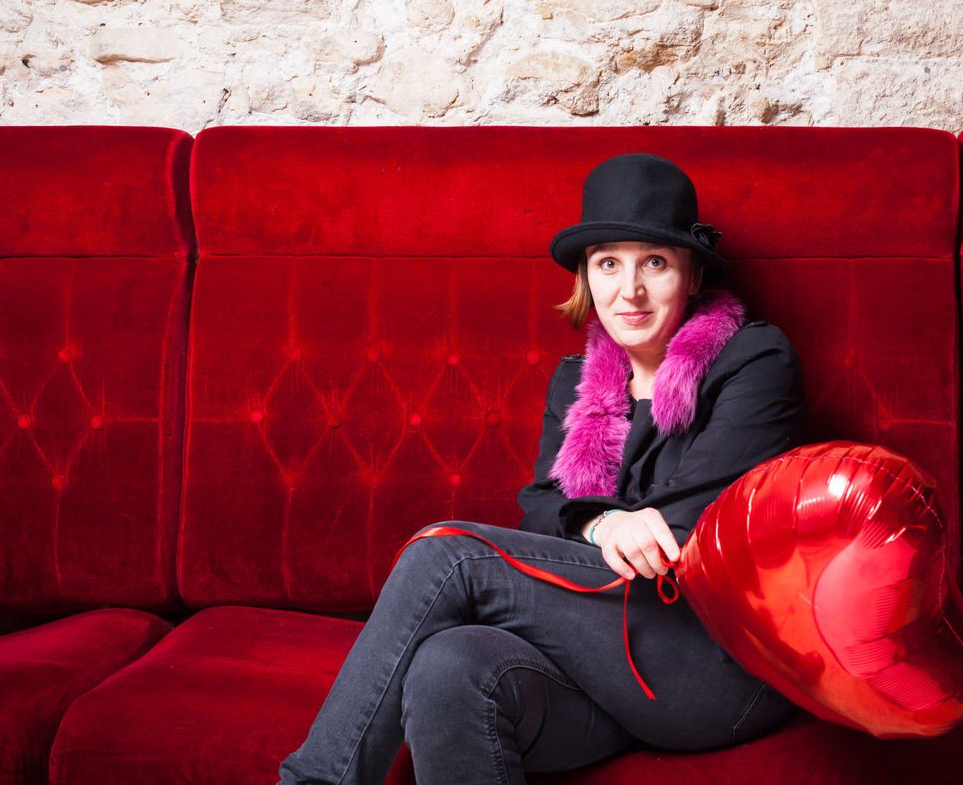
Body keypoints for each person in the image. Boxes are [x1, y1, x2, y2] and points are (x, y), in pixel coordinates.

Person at [278, 152, 808, 785]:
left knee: (446, 555)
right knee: (448, 664)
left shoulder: (755, 360)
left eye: (654, 263)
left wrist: (597, 524)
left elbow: (689, 523)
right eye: (608, 264)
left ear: (692, 276)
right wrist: (603, 525)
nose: (629, 291)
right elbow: (539, 510)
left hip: (713, 662)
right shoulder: (577, 382)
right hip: (606, 666)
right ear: (587, 276)